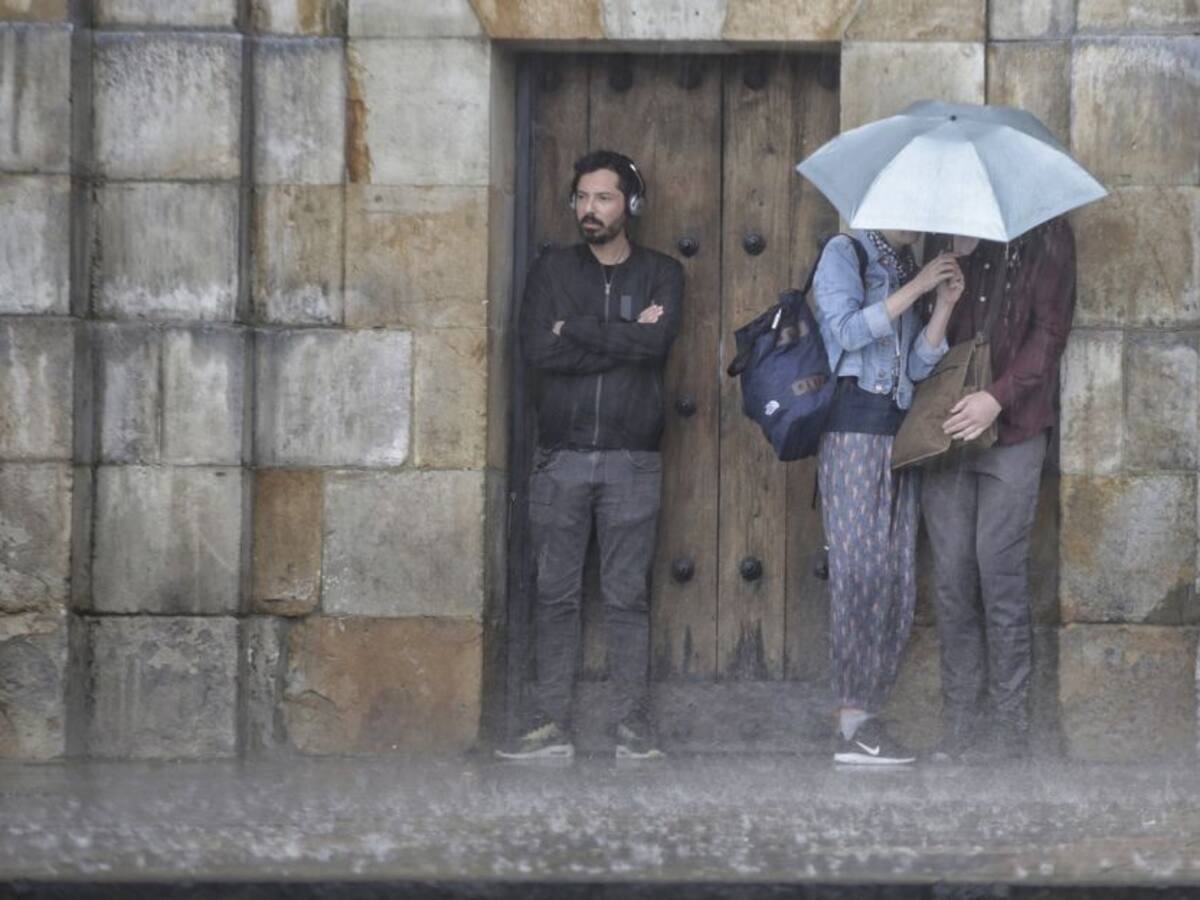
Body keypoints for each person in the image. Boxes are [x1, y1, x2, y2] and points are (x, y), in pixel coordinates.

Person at [496, 150, 683, 762]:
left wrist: (573, 328)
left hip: (632, 461)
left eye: (603, 198)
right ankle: (550, 722)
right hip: (562, 459)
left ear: (631, 205)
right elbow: (537, 351)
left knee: (627, 597)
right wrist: (624, 337)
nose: (589, 209)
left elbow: (656, 345)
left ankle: (632, 724)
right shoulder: (550, 271)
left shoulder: (661, 274)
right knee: (555, 596)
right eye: (581, 197)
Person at [921, 219, 1076, 763]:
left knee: (1000, 575)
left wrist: (996, 397)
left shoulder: (1047, 234)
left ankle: (1010, 730)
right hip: (946, 432)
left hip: (1014, 430)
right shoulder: (942, 233)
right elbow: (928, 337)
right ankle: (961, 727)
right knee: (951, 580)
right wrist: (953, 263)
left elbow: (1050, 332)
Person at [812, 229, 963, 765]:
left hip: (899, 438)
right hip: (852, 432)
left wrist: (943, 304)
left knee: (896, 581)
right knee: (859, 575)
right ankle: (849, 723)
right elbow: (846, 331)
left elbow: (917, 368)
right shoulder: (844, 253)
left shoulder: (904, 264)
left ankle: (867, 718)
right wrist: (918, 287)